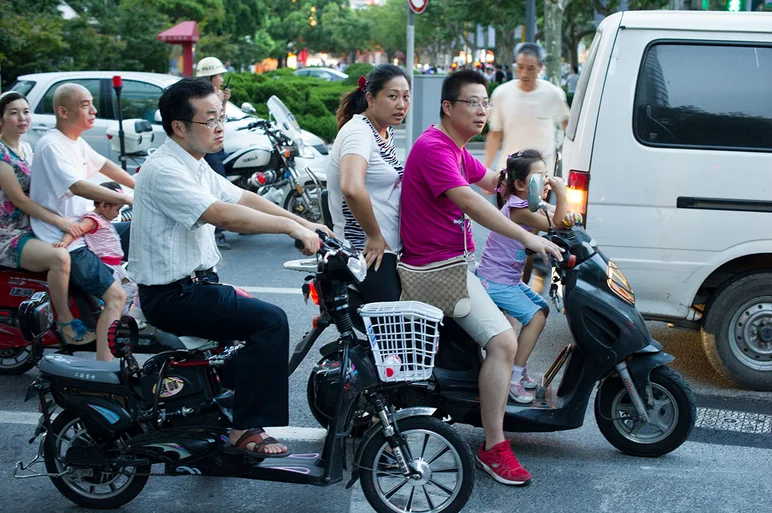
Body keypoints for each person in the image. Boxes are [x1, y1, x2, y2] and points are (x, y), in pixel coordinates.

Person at [130, 78, 331, 457]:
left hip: (196, 285)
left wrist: (305, 222)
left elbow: (243, 198)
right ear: (179, 126)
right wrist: (291, 227)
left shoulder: (195, 164)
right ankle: (244, 430)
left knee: (255, 322)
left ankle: (212, 397)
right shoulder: (164, 170)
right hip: (173, 296)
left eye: (221, 116)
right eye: (210, 120)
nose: (220, 126)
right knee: (270, 321)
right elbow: (222, 215)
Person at [400, 69, 563, 486]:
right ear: (448, 107)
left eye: (486, 102)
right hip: (437, 268)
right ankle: (494, 446)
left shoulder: (456, 148)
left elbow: (496, 185)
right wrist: (529, 234)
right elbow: (474, 202)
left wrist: (539, 183)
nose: (482, 110)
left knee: (511, 323)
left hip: (457, 262)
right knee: (504, 341)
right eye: (473, 102)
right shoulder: (435, 148)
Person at [30, 83, 134, 361]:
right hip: (70, 240)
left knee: (136, 232)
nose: (94, 110)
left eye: (92, 104)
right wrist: (128, 200)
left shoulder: (75, 141)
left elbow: (104, 166)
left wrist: (141, 188)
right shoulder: (52, 145)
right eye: (86, 105)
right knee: (116, 297)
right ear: (63, 111)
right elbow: (79, 187)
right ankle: (104, 369)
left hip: (88, 229)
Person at [476, 150, 579, 404]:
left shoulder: (532, 204)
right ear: (521, 184)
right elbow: (554, 223)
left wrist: (570, 214)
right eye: (539, 178)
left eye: (547, 176)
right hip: (496, 281)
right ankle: (513, 377)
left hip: (507, 279)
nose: (546, 182)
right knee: (534, 318)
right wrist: (563, 193)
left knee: (541, 310)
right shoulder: (518, 208)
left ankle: (518, 370)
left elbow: (558, 215)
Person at [0, 91, 95, 345]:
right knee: (59, 256)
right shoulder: (1, 156)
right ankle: (65, 323)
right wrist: (60, 222)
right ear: (1, 119)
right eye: (13, 113)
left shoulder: (27, 148)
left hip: (35, 225)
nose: (22, 117)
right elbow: (20, 200)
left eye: (26, 111)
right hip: (9, 233)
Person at [327, 64, 411, 304]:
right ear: (371, 99)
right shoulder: (358, 133)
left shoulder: (383, 131)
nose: (401, 104)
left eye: (406, 96)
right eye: (392, 96)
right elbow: (351, 188)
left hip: (390, 246)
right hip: (366, 250)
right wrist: (374, 236)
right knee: (396, 329)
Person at [484, 43, 570, 175]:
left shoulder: (553, 94)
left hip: (542, 174)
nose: (524, 74)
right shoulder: (501, 94)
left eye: (530, 68)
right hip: (510, 171)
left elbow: (568, 129)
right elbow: (495, 133)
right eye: (520, 67)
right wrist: (487, 169)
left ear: (540, 67)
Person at [54, 182, 137, 316]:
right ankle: (114, 316)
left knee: (130, 286)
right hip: (106, 265)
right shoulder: (92, 219)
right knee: (114, 295)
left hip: (116, 264)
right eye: (117, 210)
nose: (117, 215)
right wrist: (64, 242)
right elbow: (76, 229)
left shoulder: (105, 220)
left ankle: (122, 315)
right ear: (104, 205)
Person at [196, 56, 233, 250]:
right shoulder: (202, 97)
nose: (221, 79)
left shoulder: (215, 95)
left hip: (215, 144)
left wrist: (223, 102)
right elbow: (208, 122)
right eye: (218, 75)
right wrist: (217, 101)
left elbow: (220, 121)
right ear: (210, 77)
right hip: (206, 147)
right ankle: (218, 232)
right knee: (217, 186)